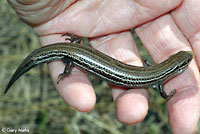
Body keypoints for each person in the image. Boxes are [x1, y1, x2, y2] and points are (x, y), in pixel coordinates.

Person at [7, 0, 200, 133]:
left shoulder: (158, 74)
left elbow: (150, 66)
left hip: (75, 52)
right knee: (70, 61)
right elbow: (161, 90)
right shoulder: (158, 79)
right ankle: (69, 56)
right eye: (184, 62)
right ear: (177, 68)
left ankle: (73, 44)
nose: (186, 61)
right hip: (71, 55)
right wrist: (168, 95)